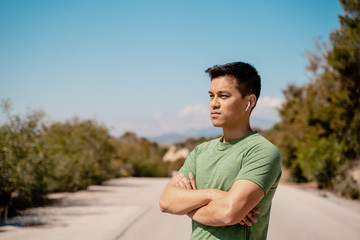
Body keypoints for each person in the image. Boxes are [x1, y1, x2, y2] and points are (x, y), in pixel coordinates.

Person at [159, 62, 282, 239]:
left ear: (250, 101)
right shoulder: (200, 151)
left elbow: (228, 213)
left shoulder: (262, 151)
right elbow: (166, 201)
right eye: (211, 96)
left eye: (223, 96)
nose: (214, 104)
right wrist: (213, 194)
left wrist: (188, 205)